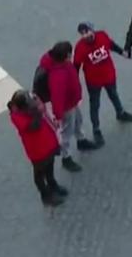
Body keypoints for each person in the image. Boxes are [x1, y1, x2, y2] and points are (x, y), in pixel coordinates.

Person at [73, 23, 132, 148]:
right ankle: (96, 129)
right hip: (93, 81)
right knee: (95, 105)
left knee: (114, 95)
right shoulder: (80, 48)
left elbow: (111, 45)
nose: (86, 35)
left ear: (92, 30)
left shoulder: (102, 36)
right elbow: (76, 67)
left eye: (88, 32)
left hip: (109, 75)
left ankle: (120, 112)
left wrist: (122, 52)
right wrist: (74, 84)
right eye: (83, 33)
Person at [40, 41, 94, 173]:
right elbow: (57, 97)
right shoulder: (58, 74)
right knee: (66, 132)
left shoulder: (62, 65)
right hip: (67, 107)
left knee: (78, 121)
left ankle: (81, 140)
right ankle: (66, 157)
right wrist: (58, 115)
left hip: (72, 102)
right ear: (66, 56)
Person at [8, 89, 66, 206]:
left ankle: (52, 184)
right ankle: (45, 195)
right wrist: (36, 112)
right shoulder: (17, 116)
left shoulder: (32, 109)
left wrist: (38, 107)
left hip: (48, 143)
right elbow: (34, 127)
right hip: (37, 150)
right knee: (39, 173)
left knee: (50, 167)